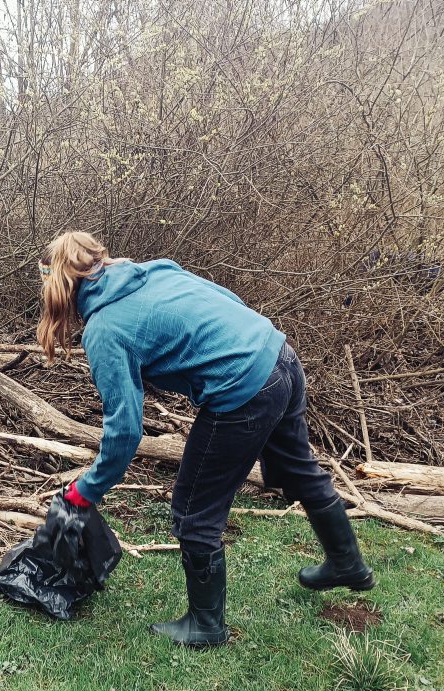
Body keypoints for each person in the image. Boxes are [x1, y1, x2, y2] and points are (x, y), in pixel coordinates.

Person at [37, 230, 374, 647]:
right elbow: (227, 299)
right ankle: (348, 563)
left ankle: (205, 626)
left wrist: (85, 492)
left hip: (244, 388)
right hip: (277, 352)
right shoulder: (154, 270)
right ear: (98, 261)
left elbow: (124, 430)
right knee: (299, 468)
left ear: (63, 289)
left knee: (195, 507)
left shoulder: (105, 329)